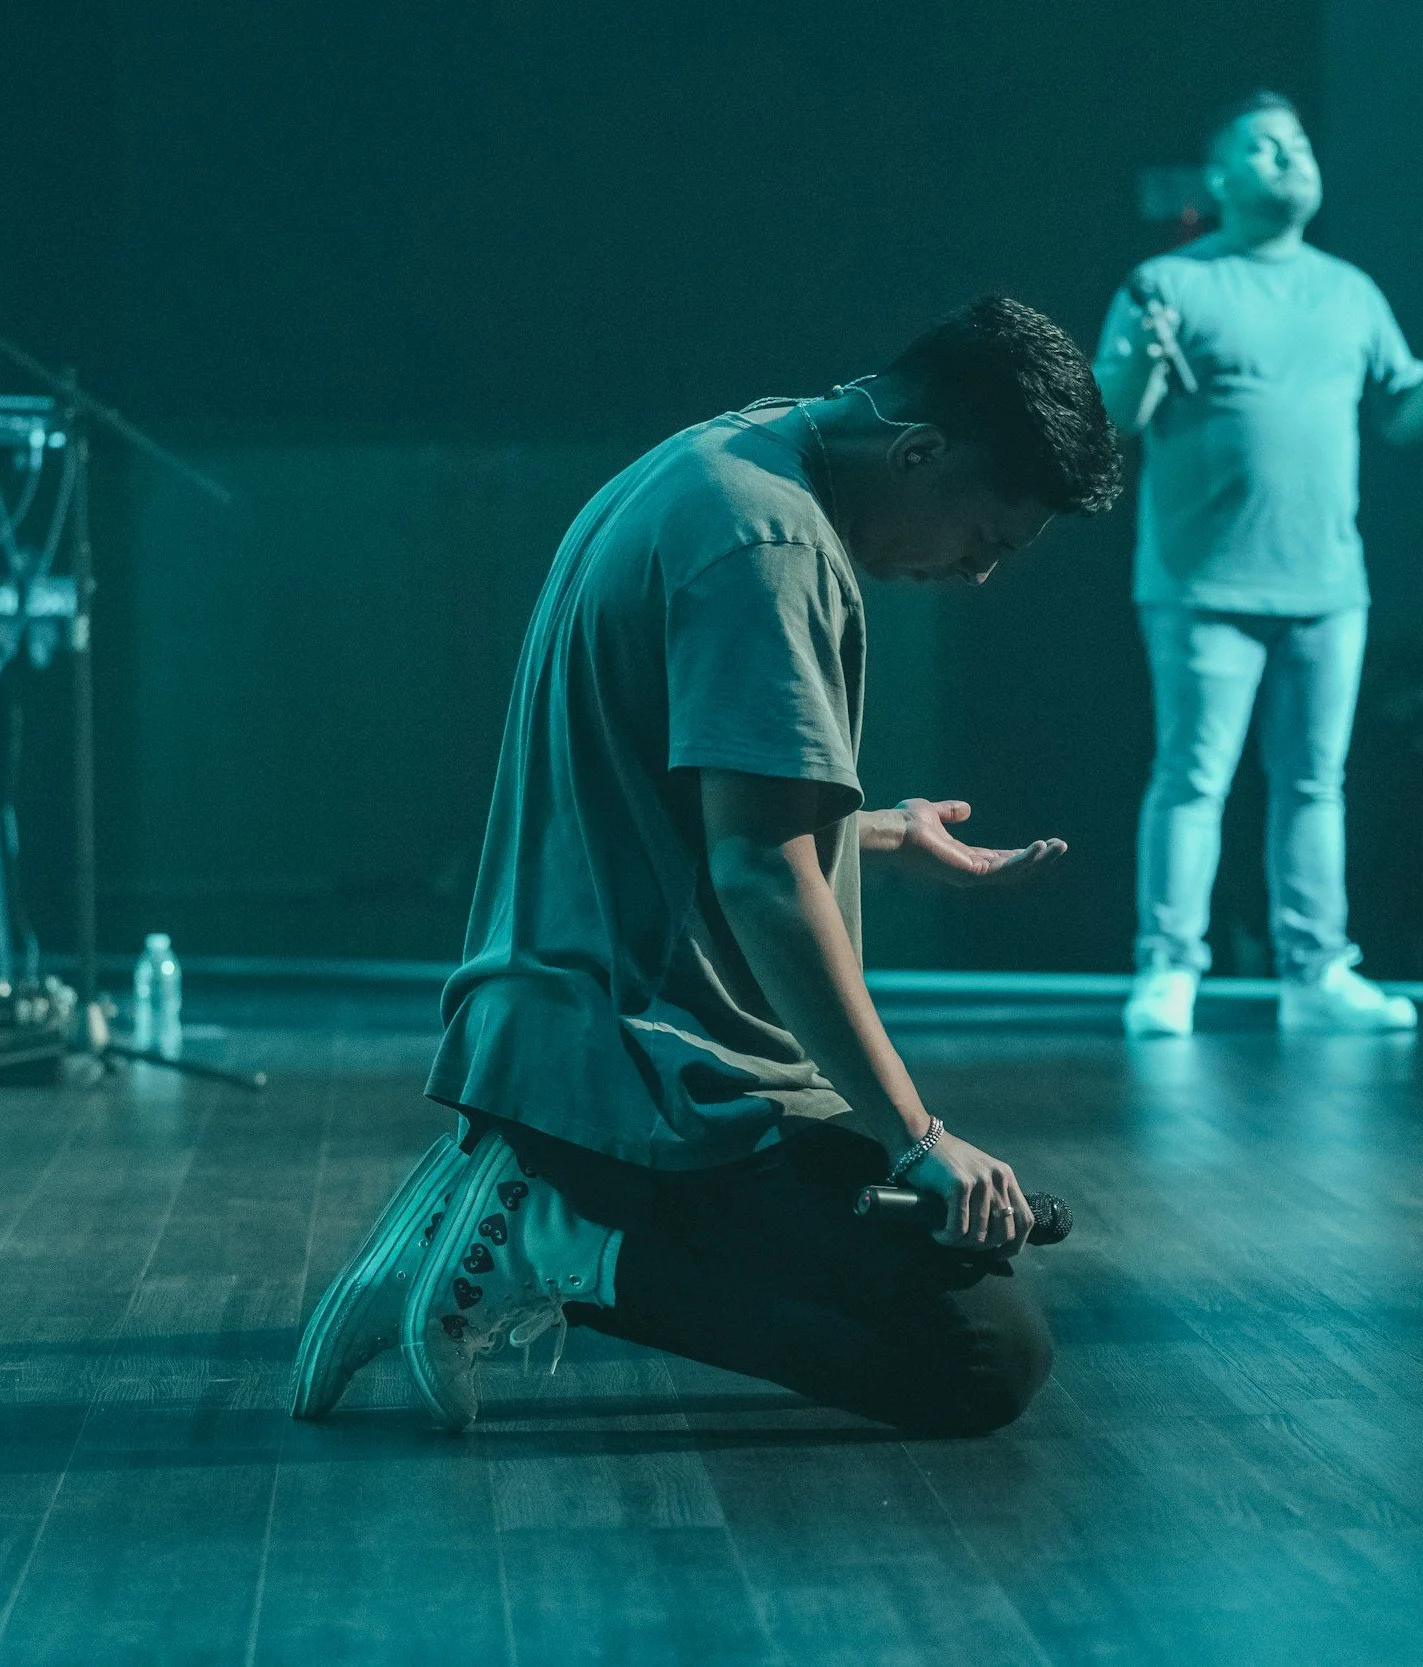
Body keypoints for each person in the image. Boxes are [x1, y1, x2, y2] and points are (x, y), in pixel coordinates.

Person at [292, 297, 1120, 1435]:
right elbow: (760, 876)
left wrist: (871, 832)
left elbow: (682, 804)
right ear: (919, 451)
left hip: (566, 1047)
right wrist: (916, 1138)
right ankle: (560, 1236)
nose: (974, 576)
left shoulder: (728, 456)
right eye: (984, 540)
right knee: (981, 1358)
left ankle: (545, 1209)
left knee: (951, 1285)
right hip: (640, 1077)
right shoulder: (771, 546)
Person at [1092, 91, 1423, 1037]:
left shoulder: (1349, 291)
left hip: (1328, 588)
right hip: (1202, 586)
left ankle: (1315, 974)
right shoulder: (1164, 285)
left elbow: (1404, 415)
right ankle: (1168, 969)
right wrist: (1140, 361)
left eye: (1298, 145)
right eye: (1263, 147)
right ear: (1221, 178)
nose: (1289, 159)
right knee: (1194, 778)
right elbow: (1115, 423)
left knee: (1315, 784)